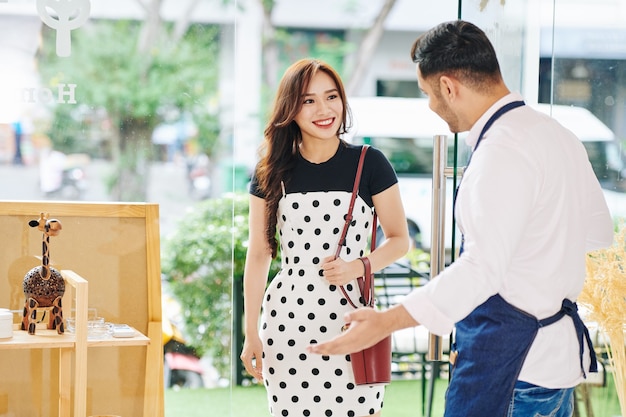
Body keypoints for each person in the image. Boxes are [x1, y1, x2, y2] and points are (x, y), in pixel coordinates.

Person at [308, 20, 614, 417]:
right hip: (555, 368)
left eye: (428, 94)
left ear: (449, 87)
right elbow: (597, 232)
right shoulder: (559, 135)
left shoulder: (499, 152)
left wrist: (384, 322)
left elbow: (480, 269)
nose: (432, 106)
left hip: (511, 373)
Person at [240, 58, 410, 417]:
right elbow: (259, 253)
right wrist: (250, 330)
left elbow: (399, 240)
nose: (324, 109)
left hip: (352, 321)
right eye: (308, 100)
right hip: (287, 320)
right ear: (291, 109)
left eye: (331, 97)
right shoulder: (271, 171)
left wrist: (359, 266)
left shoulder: (370, 162)